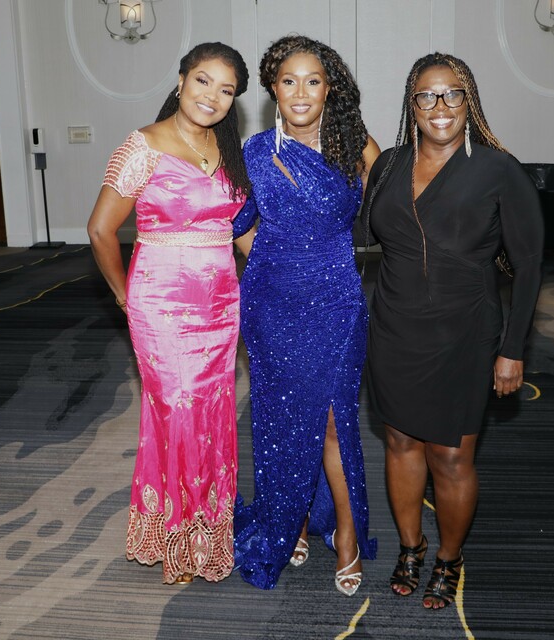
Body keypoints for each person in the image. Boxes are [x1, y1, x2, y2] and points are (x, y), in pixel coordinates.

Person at [363, 52, 543, 609]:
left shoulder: (498, 169)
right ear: (411, 104)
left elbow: (529, 264)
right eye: (426, 95)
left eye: (452, 94)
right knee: (399, 443)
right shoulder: (388, 164)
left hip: (464, 333)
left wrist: (512, 349)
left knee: (450, 455)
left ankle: (448, 556)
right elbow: (362, 234)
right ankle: (411, 546)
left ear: (469, 101)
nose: (439, 105)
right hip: (393, 328)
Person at [87, 42, 253, 585]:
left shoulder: (227, 147)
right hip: (162, 303)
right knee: (177, 412)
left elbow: (241, 232)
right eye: (203, 81)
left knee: (214, 412)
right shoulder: (143, 145)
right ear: (181, 81)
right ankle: (179, 538)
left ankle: (208, 529)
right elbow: (100, 229)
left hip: (221, 303)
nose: (212, 97)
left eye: (226, 90)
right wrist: (123, 294)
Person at [232, 35, 380, 595]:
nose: (300, 92)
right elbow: (236, 222)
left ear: (329, 89)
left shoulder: (354, 145)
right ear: (273, 89)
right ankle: (288, 518)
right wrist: (276, 262)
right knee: (279, 420)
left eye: (312, 81)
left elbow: (396, 203)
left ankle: (346, 535)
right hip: (272, 304)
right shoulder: (253, 152)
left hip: (337, 303)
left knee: (334, 423)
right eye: (289, 81)